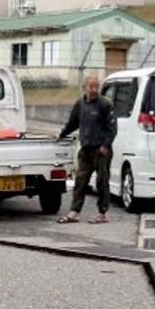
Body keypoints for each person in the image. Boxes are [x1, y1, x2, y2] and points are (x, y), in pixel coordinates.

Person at [56, 74, 116, 224]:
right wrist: (62, 134)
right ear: (85, 87)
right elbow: (73, 123)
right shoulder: (80, 104)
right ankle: (74, 211)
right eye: (91, 86)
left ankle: (102, 213)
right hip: (86, 150)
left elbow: (112, 128)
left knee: (102, 182)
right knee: (80, 181)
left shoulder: (105, 104)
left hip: (101, 151)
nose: (94, 89)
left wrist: (105, 146)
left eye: (97, 86)